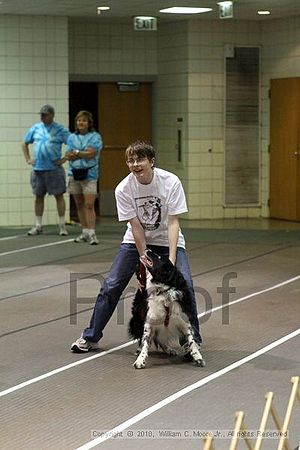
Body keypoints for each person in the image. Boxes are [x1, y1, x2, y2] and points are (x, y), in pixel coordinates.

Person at [71, 140, 202, 353]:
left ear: (152, 162)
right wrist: (144, 260)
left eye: (140, 159)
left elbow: (173, 222)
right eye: (130, 161)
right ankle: (91, 336)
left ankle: (191, 341)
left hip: (167, 241)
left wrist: (170, 262)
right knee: (110, 286)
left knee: (185, 284)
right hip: (135, 241)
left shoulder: (170, 182)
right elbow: (135, 226)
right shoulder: (124, 188)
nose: (135, 164)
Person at [22, 104, 70, 236]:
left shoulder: (59, 129)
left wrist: (64, 158)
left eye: (45, 115)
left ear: (52, 115)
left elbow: (71, 142)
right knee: (38, 197)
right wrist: (28, 159)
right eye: (41, 115)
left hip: (54, 169)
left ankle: (62, 226)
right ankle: (38, 225)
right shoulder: (36, 128)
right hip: (38, 169)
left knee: (59, 196)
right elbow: (24, 142)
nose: (43, 117)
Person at [65, 110, 103, 245]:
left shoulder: (95, 137)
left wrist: (76, 152)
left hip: (90, 175)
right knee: (79, 204)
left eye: (84, 121)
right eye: (79, 120)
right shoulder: (71, 137)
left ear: (89, 123)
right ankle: (85, 231)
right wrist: (81, 153)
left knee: (89, 204)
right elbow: (68, 155)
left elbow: (92, 153)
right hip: (74, 174)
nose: (81, 123)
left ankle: (92, 232)